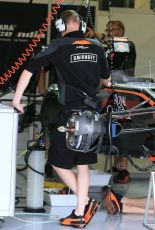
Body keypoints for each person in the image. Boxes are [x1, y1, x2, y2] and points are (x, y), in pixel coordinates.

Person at [12, 10, 111, 228]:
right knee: (83, 165)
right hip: (93, 116)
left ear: (61, 24)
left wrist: (17, 100)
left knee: (57, 161)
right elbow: (107, 79)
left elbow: (30, 69)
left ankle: (84, 203)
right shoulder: (96, 46)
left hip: (71, 118)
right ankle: (79, 212)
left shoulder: (58, 45)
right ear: (81, 25)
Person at [103, 20, 137, 184]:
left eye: (114, 30)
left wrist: (98, 38)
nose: (111, 32)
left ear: (122, 31)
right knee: (111, 130)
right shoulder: (107, 47)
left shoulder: (127, 44)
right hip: (109, 92)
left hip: (125, 93)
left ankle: (123, 170)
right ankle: (116, 167)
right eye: (108, 30)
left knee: (122, 130)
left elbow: (118, 47)